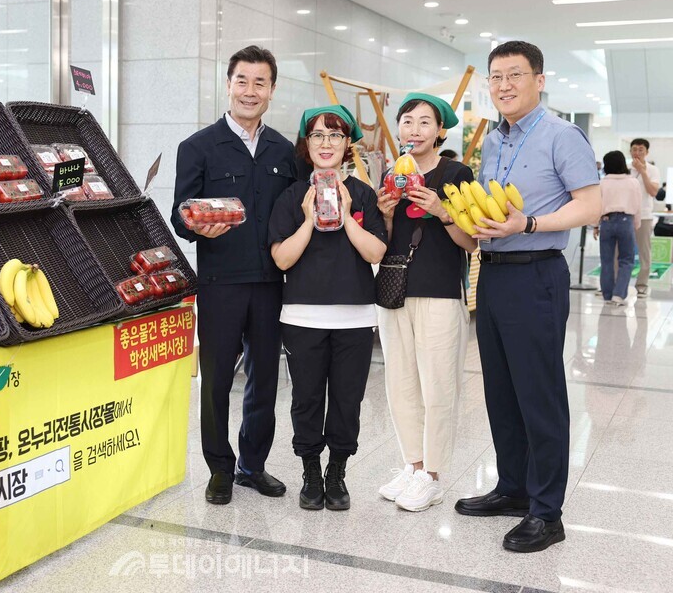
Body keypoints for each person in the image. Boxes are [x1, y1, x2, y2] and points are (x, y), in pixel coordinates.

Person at [453, 41, 601, 553]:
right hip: (491, 275)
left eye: (515, 75)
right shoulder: (494, 141)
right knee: (501, 392)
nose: (504, 85)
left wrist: (530, 223)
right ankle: (513, 488)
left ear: (540, 79)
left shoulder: (563, 135)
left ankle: (546, 511)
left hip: (537, 274)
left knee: (539, 394)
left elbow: (590, 206)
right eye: (496, 77)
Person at [171, 46, 297, 505]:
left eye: (259, 82)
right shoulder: (199, 147)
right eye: (242, 81)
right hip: (220, 283)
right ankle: (219, 468)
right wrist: (195, 222)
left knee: (265, 377)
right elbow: (180, 212)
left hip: (270, 284)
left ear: (272, 90)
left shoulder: (284, 150)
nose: (250, 91)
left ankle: (252, 465)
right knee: (217, 380)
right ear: (228, 84)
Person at [268, 105, 387, 510]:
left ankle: (337, 472)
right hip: (302, 317)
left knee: (347, 399)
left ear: (347, 144)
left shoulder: (364, 195)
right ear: (306, 144)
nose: (326, 143)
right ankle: (311, 472)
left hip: (355, 317)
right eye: (317, 135)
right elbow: (282, 260)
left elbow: (375, 252)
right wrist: (308, 218)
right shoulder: (290, 196)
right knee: (306, 399)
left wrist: (348, 213)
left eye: (335, 135)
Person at [375, 94, 477, 512]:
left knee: (437, 384)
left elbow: (472, 242)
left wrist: (442, 210)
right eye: (407, 122)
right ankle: (413, 466)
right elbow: (384, 242)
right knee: (399, 383)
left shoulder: (456, 172)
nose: (414, 131)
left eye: (424, 123)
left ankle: (433, 475)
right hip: (394, 291)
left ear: (440, 131)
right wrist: (383, 214)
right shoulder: (391, 174)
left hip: (438, 291)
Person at [593, 151, 641, 306]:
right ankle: (618, 295)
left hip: (606, 221)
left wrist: (595, 225)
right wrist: (636, 224)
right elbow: (637, 205)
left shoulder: (602, 183)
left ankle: (607, 294)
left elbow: (596, 206)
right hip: (626, 221)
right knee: (626, 260)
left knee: (606, 260)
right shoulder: (633, 182)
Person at [628, 139, 660, 297]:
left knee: (644, 252)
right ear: (630, 152)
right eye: (634, 149)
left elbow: (653, 192)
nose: (637, 153)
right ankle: (616, 284)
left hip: (645, 215)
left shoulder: (653, 169)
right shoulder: (626, 169)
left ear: (646, 152)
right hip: (626, 215)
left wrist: (643, 171)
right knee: (620, 251)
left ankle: (641, 284)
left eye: (641, 150)